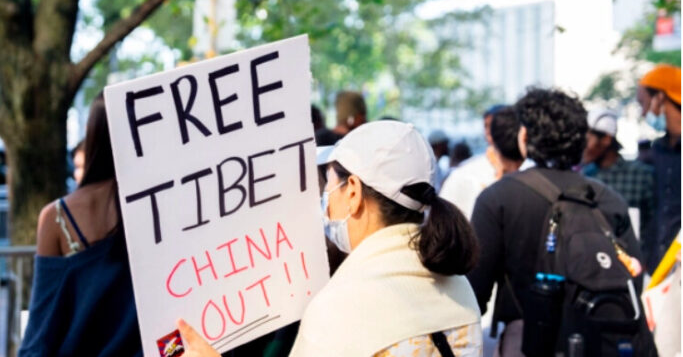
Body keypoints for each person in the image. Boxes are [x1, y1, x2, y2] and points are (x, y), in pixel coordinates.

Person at [176, 121, 482, 357]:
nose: (326, 199)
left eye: (330, 186)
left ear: (353, 191)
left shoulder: (342, 306)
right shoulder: (458, 286)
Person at [466, 88, 646, 356]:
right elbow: (633, 279)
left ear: (524, 135)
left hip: (528, 341)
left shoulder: (498, 197)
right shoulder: (608, 199)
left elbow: (474, 292)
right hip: (599, 340)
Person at [19, 93, 142, 356]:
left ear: (93, 136)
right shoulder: (169, 205)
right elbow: (177, 330)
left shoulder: (58, 217)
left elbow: (40, 333)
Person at [580, 108, 655, 259]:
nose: (583, 146)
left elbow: (654, 225)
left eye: (587, 139)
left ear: (606, 140)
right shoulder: (583, 177)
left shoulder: (641, 175)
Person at [636, 64, 681, 272]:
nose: (643, 112)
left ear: (660, 98)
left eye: (643, 103)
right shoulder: (655, 152)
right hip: (658, 268)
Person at [440, 105, 509, 219]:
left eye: (494, 126)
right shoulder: (465, 173)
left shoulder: (528, 168)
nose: (489, 132)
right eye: (486, 126)